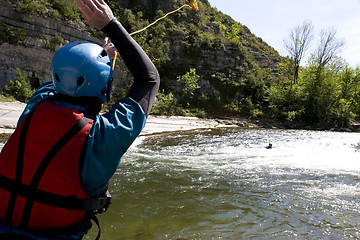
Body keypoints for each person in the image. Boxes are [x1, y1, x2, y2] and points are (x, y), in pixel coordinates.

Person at [0, 0, 160, 239]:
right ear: (105, 88)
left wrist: (101, 55)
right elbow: (149, 80)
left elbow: (63, 83)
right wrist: (110, 25)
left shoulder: (36, 105)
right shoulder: (102, 137)